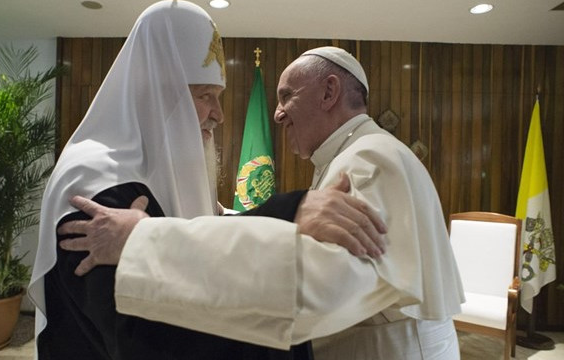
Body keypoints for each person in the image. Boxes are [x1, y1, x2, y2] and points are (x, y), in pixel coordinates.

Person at [28, 1, 387, 359]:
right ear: (158, 92)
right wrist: (286, 213)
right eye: (205, 96)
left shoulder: (143, 175)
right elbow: (149, 339)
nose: (218, 115)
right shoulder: (95, 185)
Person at [60, 46, 466, 359]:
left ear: (329, 92)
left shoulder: (368, 159)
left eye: (287, 95)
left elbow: (316, 283)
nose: (277, 114)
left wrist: (143, 239)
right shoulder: (358, 152)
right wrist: (229, 218)